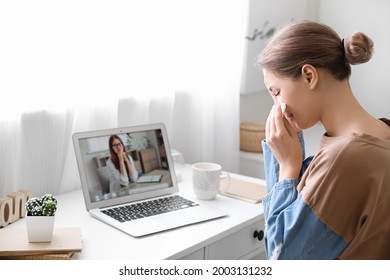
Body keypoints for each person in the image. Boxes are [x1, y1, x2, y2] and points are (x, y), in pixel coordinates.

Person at [256, 20, 390, 259]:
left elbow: (281, 258)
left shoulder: (345, 158)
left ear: (309, 76)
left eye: (276, 92)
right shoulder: (380, 134)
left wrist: (286, 167)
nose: (276, 105)